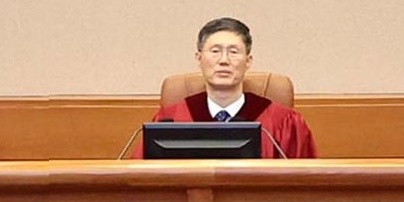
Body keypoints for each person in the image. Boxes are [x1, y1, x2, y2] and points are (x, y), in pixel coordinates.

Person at [136, 17, 317, 158]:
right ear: (199, 58)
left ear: (248, 61)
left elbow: (306, 182)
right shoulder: (170, 120)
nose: (224, 60)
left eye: (233, 52)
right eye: (215, 51)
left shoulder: (283, 122)